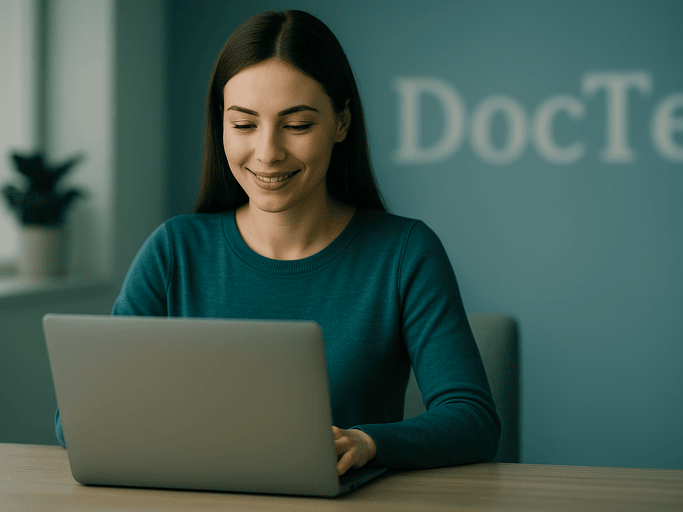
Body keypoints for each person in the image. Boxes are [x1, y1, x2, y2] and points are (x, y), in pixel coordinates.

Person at [56, 9, 499, 476]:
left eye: (298, 125)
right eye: (244, 125)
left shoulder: (405, 252)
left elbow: (472, 419)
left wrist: (368, 443)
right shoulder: (174, 251)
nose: (267, 152)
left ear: (342, 123)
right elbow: (79, 421)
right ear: (220, 125)